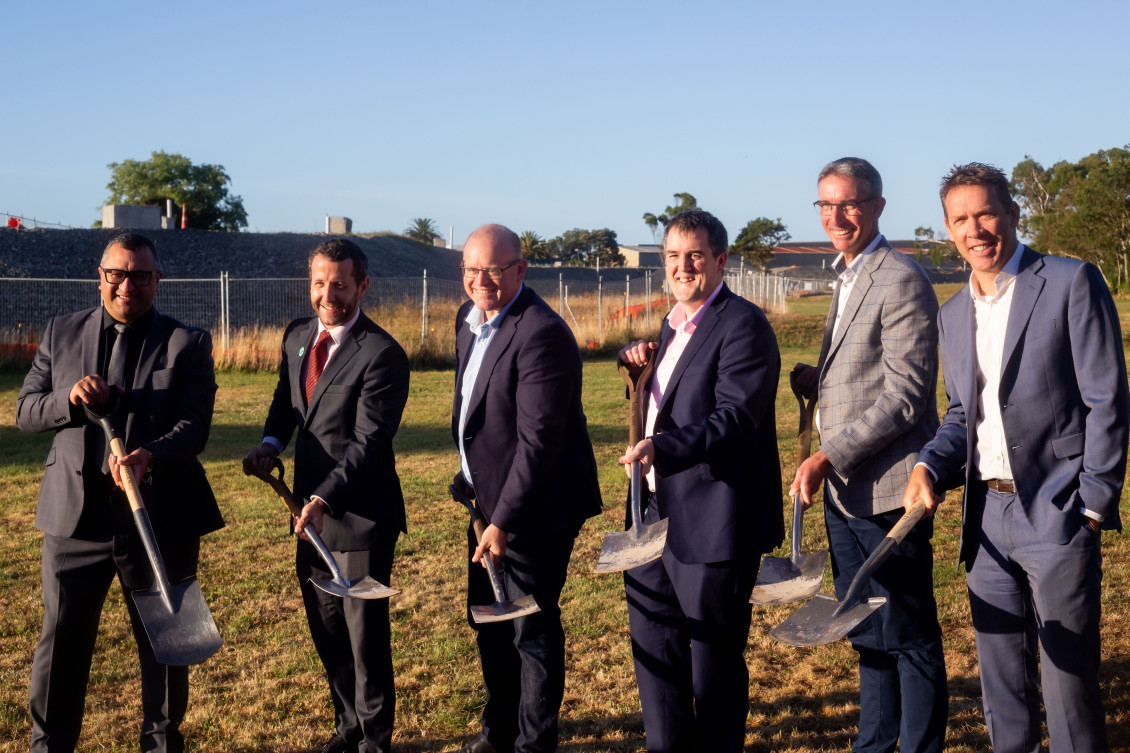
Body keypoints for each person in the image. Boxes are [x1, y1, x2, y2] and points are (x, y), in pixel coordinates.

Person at [903, 163, 1129, 753]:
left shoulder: (1071, 281)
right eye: (960, 219)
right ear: (948, 229)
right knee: (1001, 685)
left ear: (1012, 215)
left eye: (985, 214)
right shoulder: (952, 314)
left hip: (1058, 511)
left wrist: (1094, 505)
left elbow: (1106, 399)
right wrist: (928, 465)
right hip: (985, 520)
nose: (974, 229)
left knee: (1067, 683)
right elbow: (961, 415)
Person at [16, 232, 223, 753]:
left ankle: (160, 744)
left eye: (140, 275)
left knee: (166, 645)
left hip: (158, 517)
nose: (127, 284)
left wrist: (150, 453)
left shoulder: (188, 342)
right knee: (60, 644)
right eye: (117, 273)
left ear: (157, 280)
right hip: (74, 522)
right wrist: (68, 398)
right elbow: (25, 413)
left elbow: (195, 425)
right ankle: (50, 744)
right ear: (101, 275)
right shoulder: (61, 332)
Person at [789, 158, 948, 753]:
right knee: (867, 629)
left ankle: (918, 745)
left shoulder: (900, 277)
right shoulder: (848, 274)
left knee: (907, 631)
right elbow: (864, 374)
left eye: (849, 204)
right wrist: (820, 380)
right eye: (826, 205)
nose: (837, 216)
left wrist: (828, 454)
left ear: (878, 206)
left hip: (886, 490)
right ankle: (875, 744)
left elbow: (908, 394)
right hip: (843, 493)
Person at [618, 209, 782, 753]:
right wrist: (635, 363)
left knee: (711, 665)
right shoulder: (672, 325)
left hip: (713, 520)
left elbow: (736, 416)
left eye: (694, 255)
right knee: (655, 654)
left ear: (720, 260)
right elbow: (673, 396)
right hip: (651, 515)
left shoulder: (742, 323)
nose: (682, 266)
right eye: (672, 256)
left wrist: (659, 447)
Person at [243, 238, 409, 753]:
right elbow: (285, 400)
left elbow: (369, 445)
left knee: (364, 640)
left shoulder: (382, 354)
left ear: (362, 285)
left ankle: (375, 740)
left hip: (357, 518)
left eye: (339, 283)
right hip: (307, 518)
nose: (328, 294)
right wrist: (272, 444)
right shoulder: (297, 337)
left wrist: (323, 499)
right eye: (319, 282)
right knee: (327, 632)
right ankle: (348, 727)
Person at [448, 223, 602, 753]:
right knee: (490, 623)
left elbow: (539, 442)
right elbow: (478, 412)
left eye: (493, 268)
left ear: (520, 268)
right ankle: (499, 731)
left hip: (536, 509)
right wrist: (469, 479)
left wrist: (503, 522)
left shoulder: (540, 331)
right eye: (471, 268)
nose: (481, 279)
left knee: (529, 632)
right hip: (486, 503)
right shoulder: (469, 323)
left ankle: (534, 743)